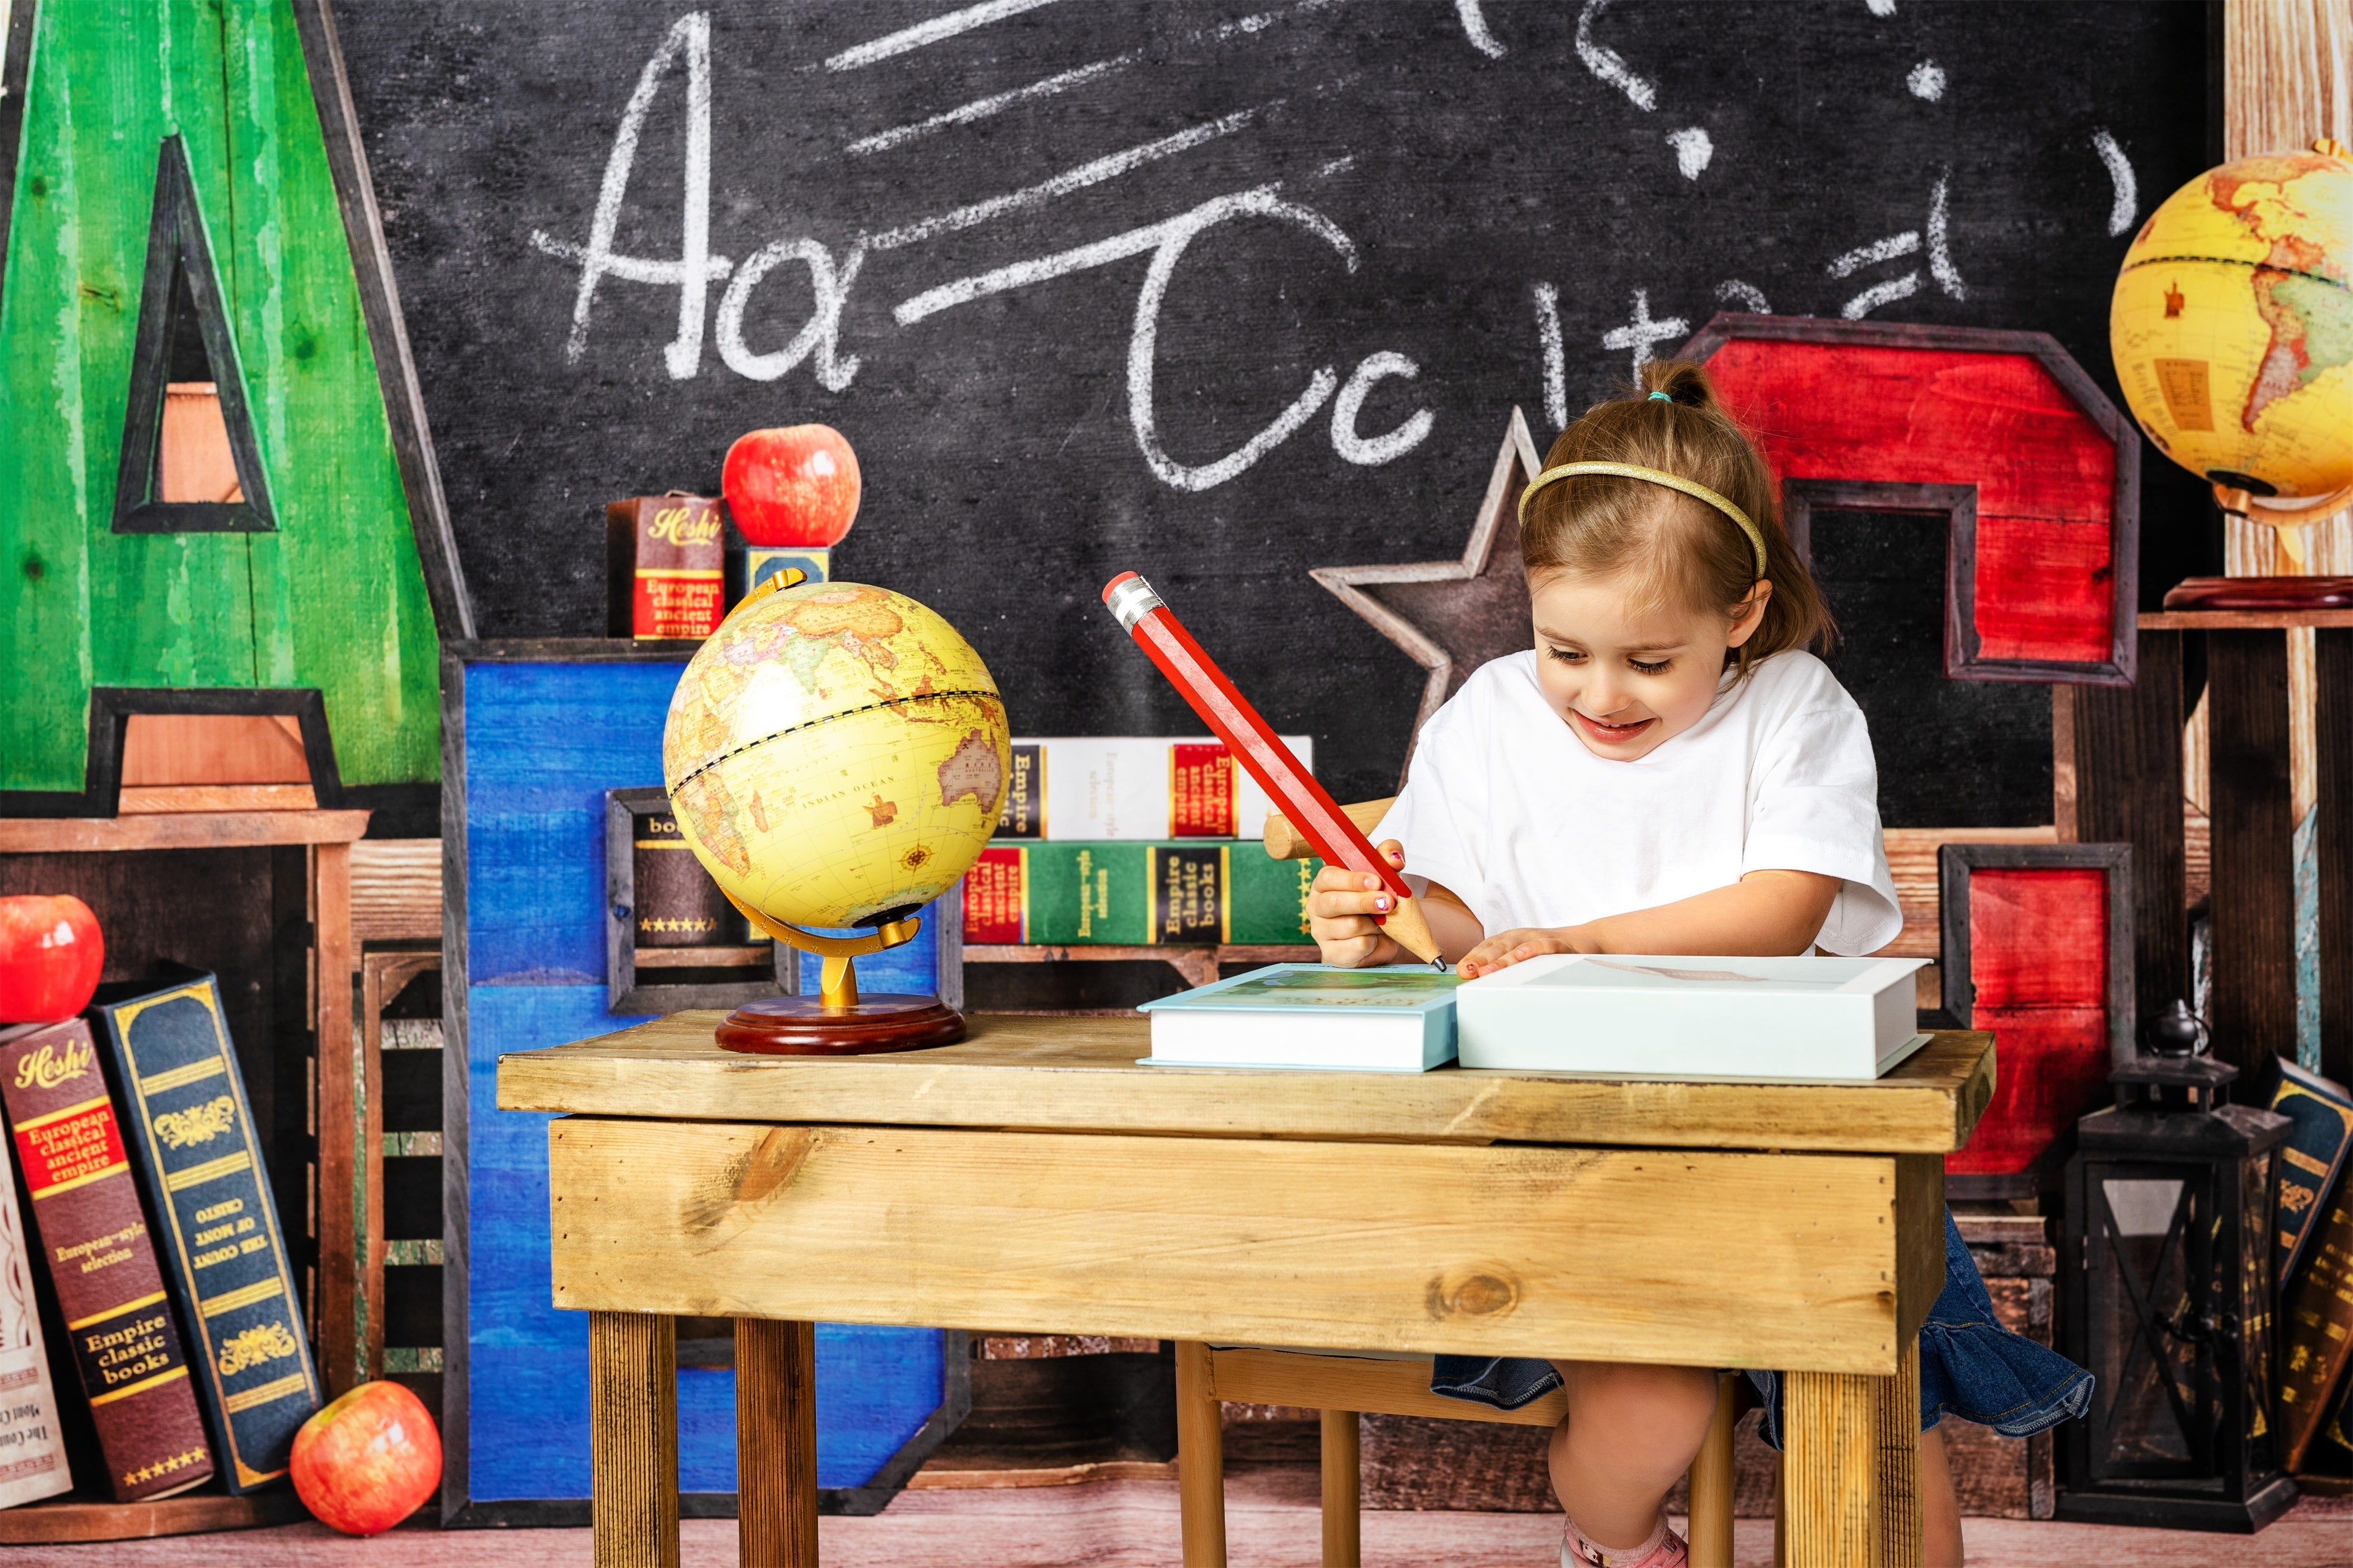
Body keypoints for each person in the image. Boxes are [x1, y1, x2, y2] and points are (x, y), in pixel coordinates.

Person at [1307, 361, 2091, 1568]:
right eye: (1564, 649)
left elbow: (1781, 911)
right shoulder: (1490, 714)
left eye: (1646, 662)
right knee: (1649, 1407)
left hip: (1795, 1135)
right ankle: (1616, 1547)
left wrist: (1581, 938)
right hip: (1567, 1142)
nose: (1597, 695)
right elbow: (1462, 922)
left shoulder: (1792, 707)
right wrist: (1382, 921)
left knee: (1885, 1428)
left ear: (1737, 616)